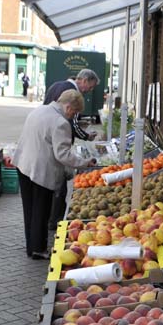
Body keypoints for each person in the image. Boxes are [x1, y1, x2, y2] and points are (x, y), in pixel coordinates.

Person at [13, 90, 95, 259]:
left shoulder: (39, 110)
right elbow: (62, 154)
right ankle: (38, 249)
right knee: (41, 211)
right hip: (41, 171)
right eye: (74, 111)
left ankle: (31, 246)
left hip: (23, 165)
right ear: (67, 106)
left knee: (29, 209)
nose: (74, 116)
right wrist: (84, 162)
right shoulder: (60, 123)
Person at [44, 69, 101, 228]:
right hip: (59, 141)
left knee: (50, 185)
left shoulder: (56, 86)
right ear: (83, 80)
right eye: (90, 86)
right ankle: (55, 222)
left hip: (47, 141)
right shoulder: (72, 95)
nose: (89, 91)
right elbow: (73, 123)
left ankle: (49, 218)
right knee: (59, 184)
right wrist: (86, 136)